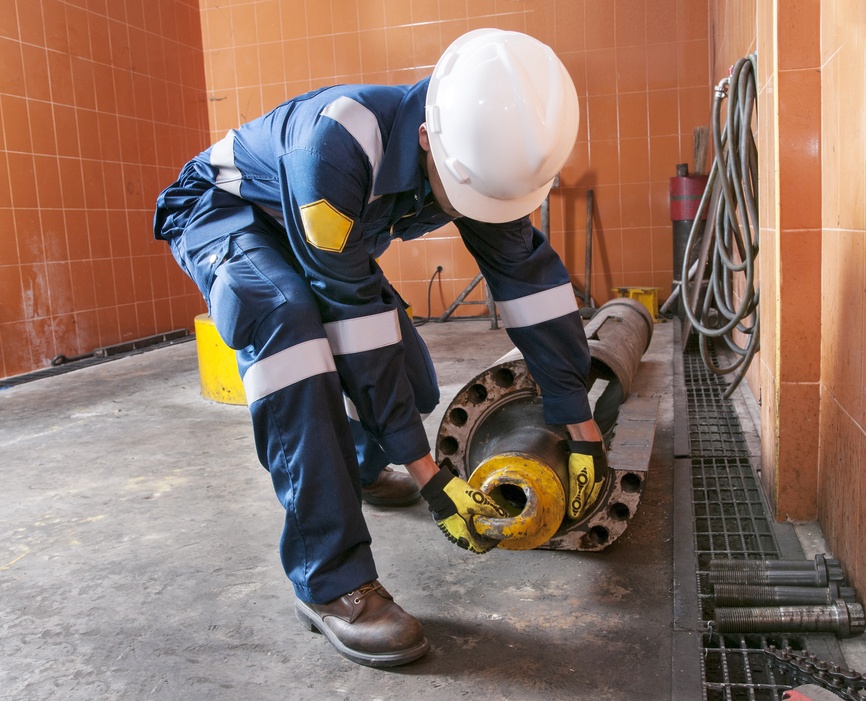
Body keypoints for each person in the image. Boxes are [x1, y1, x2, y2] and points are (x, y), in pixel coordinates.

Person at [153, 28, 606, 668]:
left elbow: (529, 283)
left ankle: (362, 471)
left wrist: (576, 417)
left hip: (325, 244)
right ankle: (330, 581)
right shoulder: (334, 148)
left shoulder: (478, 152)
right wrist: (430, 476)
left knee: (414, 383)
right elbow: (353, 325)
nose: (479, 210)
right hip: (228, 212)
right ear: (428, 135)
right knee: (293, 344)